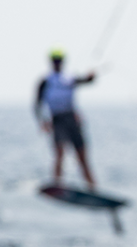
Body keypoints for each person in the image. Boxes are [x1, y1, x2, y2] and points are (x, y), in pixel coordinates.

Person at [34, 49, 97, 189]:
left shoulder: (69, 78)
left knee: (82, 154)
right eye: (55, 61)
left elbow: (86, 81)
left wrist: (91, 76)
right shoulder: (45, 81)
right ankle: (57, 183)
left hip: (72, 119)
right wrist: (42, 121)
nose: (57, 63)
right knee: (59, 152)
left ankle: (92, 187)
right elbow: (37, 104)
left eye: (59, 60)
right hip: (57, 120)